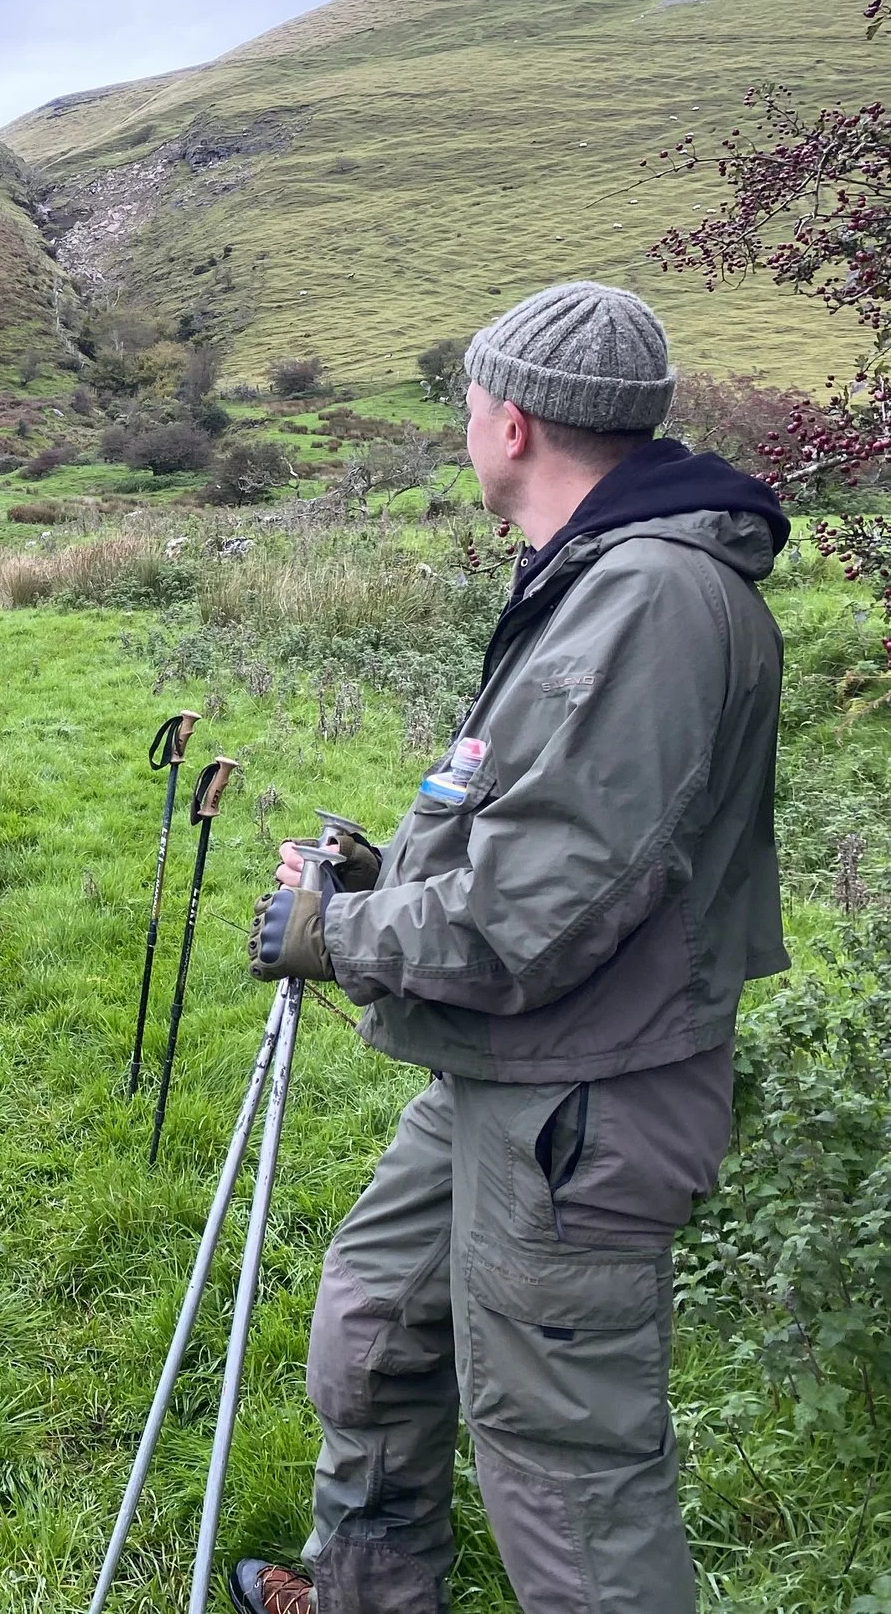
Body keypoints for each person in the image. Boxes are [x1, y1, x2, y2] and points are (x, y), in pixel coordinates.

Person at [233, 282, 789, 1614]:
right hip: (519, 1065)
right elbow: (552, 831)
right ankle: (371, 1591)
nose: (464, 425)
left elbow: (538, 911)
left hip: (583, 1100)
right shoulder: (603, 569)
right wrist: (384, 877)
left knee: (566, 1464)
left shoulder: (650, 597)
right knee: (377, 1325)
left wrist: (338, 927)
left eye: (469, 403)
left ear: (515, 420)